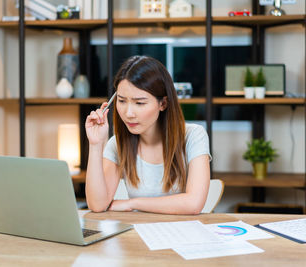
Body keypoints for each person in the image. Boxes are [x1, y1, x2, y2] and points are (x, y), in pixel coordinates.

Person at [85, 55, 211, 215]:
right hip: (138, 235)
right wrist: (95, 145)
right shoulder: (117, 144)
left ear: (163, 103)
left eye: (139, 103)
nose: (128, 113)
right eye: (122, 101)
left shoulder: (193, 136)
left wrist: (132, 203)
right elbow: (97, 205)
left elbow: (193, 204)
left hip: (183, 235)